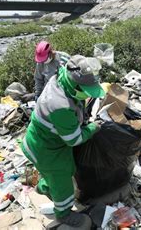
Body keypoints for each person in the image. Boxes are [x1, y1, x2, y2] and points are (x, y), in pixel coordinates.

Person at [21, 55, 105, 227]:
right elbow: (74, 139)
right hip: (44, 149)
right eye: (85, 90)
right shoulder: (60, 105)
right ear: (75, 85)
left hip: (48, 142)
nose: (87, 94)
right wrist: (93, 128)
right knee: (63, 182)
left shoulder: (61, 77)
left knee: (66, 169)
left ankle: (44, 188)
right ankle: (63, 213)